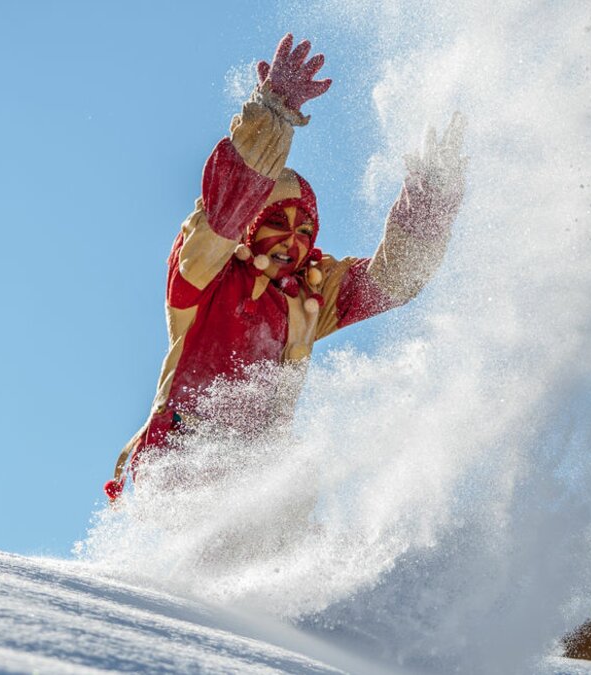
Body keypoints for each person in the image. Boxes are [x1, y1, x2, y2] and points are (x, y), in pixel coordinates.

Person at [105, 33, 466, 500]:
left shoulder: (304, 300)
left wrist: (425, 212)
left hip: (250, 474)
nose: (292, 241)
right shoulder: (204, 276)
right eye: (279, 223)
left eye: (305, 232)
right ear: (251, 228)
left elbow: (387, 283)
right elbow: (226, 208)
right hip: (180, 450)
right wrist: (272, 114)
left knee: (289, 498)